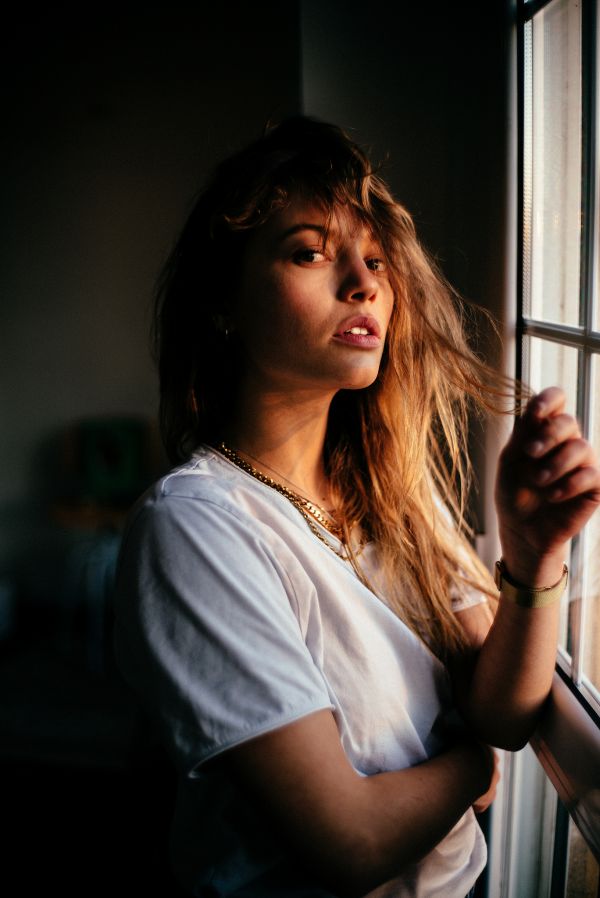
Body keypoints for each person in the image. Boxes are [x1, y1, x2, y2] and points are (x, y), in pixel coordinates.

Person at [113, 117, 600, 898]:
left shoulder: (393, 495)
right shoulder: (194, 527)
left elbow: (505, 714)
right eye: (310, 252)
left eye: (374, 260)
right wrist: (472, 765)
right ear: (223, 301)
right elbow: (353, 839)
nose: (364, 283)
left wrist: (536, 553)